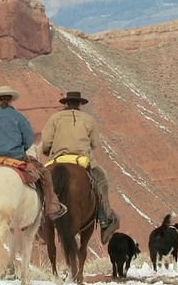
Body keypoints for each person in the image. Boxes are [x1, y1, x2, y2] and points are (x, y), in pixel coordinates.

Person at [0, 85, 67, 220]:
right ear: (11, 99)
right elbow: (28, 141)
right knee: (44, 173)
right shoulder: (19, 117)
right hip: (16, 158)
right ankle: (52, 207)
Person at [41, 91, 120, 244]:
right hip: (81, 160)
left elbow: (45, 143)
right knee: (102, 180)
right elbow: (95, 143)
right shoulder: (88, 119)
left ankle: (39, 220)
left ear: (66, 103)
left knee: (40, 184)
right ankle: (105, 219)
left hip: (57, 158)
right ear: (79, 104)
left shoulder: (54, 118)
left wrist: (47, 151)